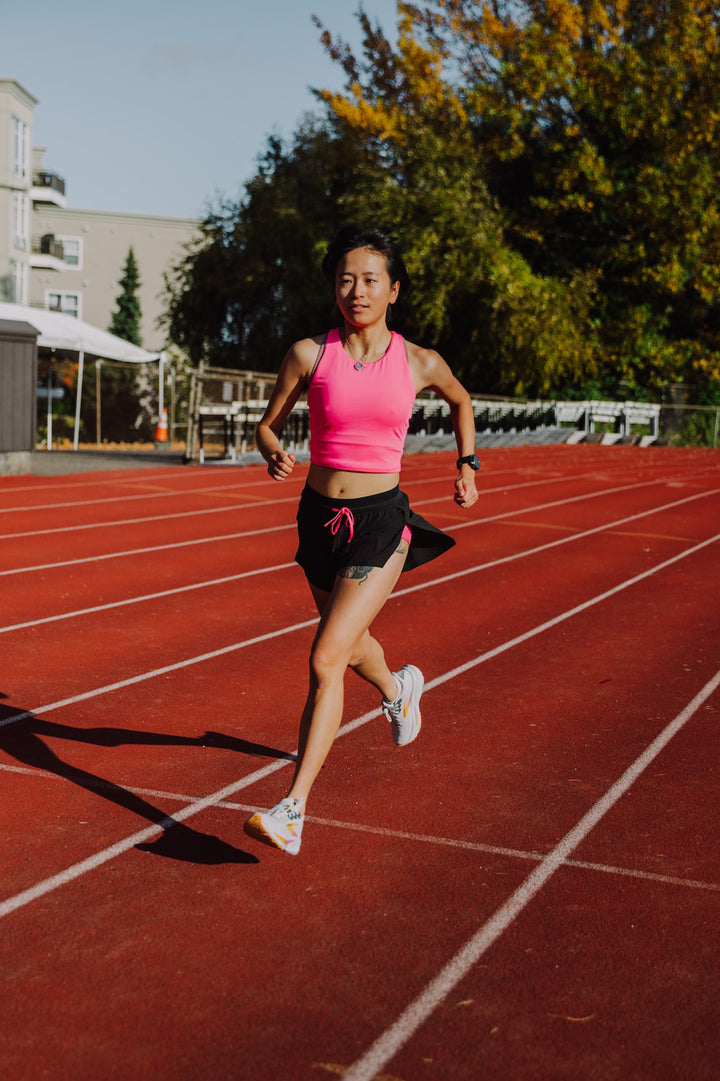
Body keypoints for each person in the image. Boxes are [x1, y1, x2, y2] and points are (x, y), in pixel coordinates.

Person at [243, 224, 479, 855]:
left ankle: (293, 810)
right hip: (317, 519)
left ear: (393, 289)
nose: (356, 290)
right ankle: (400, 688)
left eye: (370, 279)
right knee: (348, 650)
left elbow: (462, 402)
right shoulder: (307, 354)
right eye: (345, 279)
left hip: (381, 521)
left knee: (324, 657)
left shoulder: (418, 361)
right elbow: (267, 427)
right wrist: (272, 451)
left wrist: (467, 464)